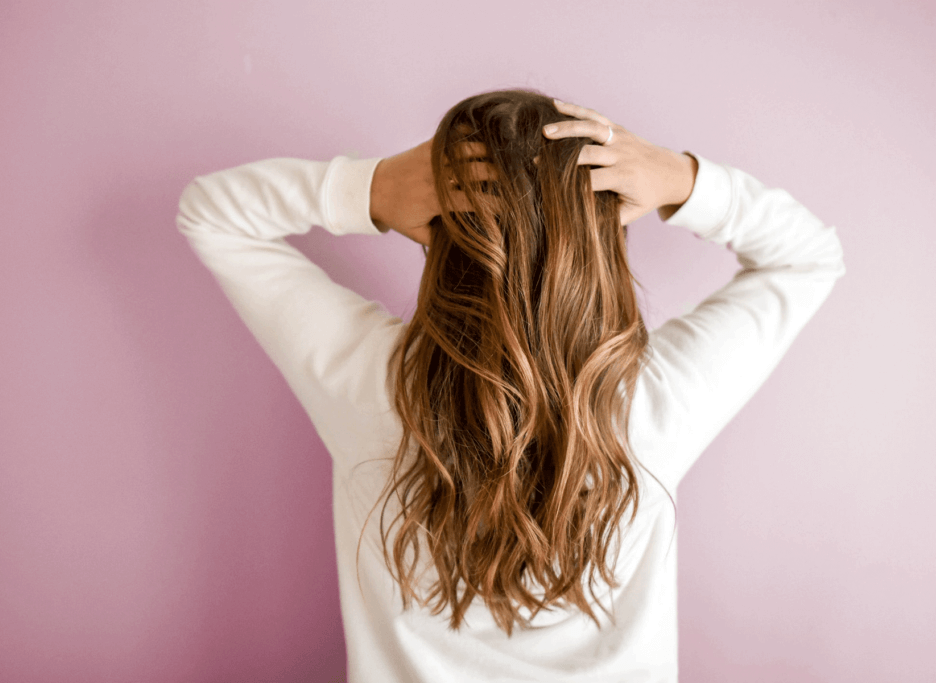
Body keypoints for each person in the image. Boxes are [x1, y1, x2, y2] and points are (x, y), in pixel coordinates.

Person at [175, 89, 846, 682]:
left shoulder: (374, 387)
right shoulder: (651, 405)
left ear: (440, 233)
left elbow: (210, 213)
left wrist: (371, 187)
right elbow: (809, 257)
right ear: (601, 242)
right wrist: (681, 179)